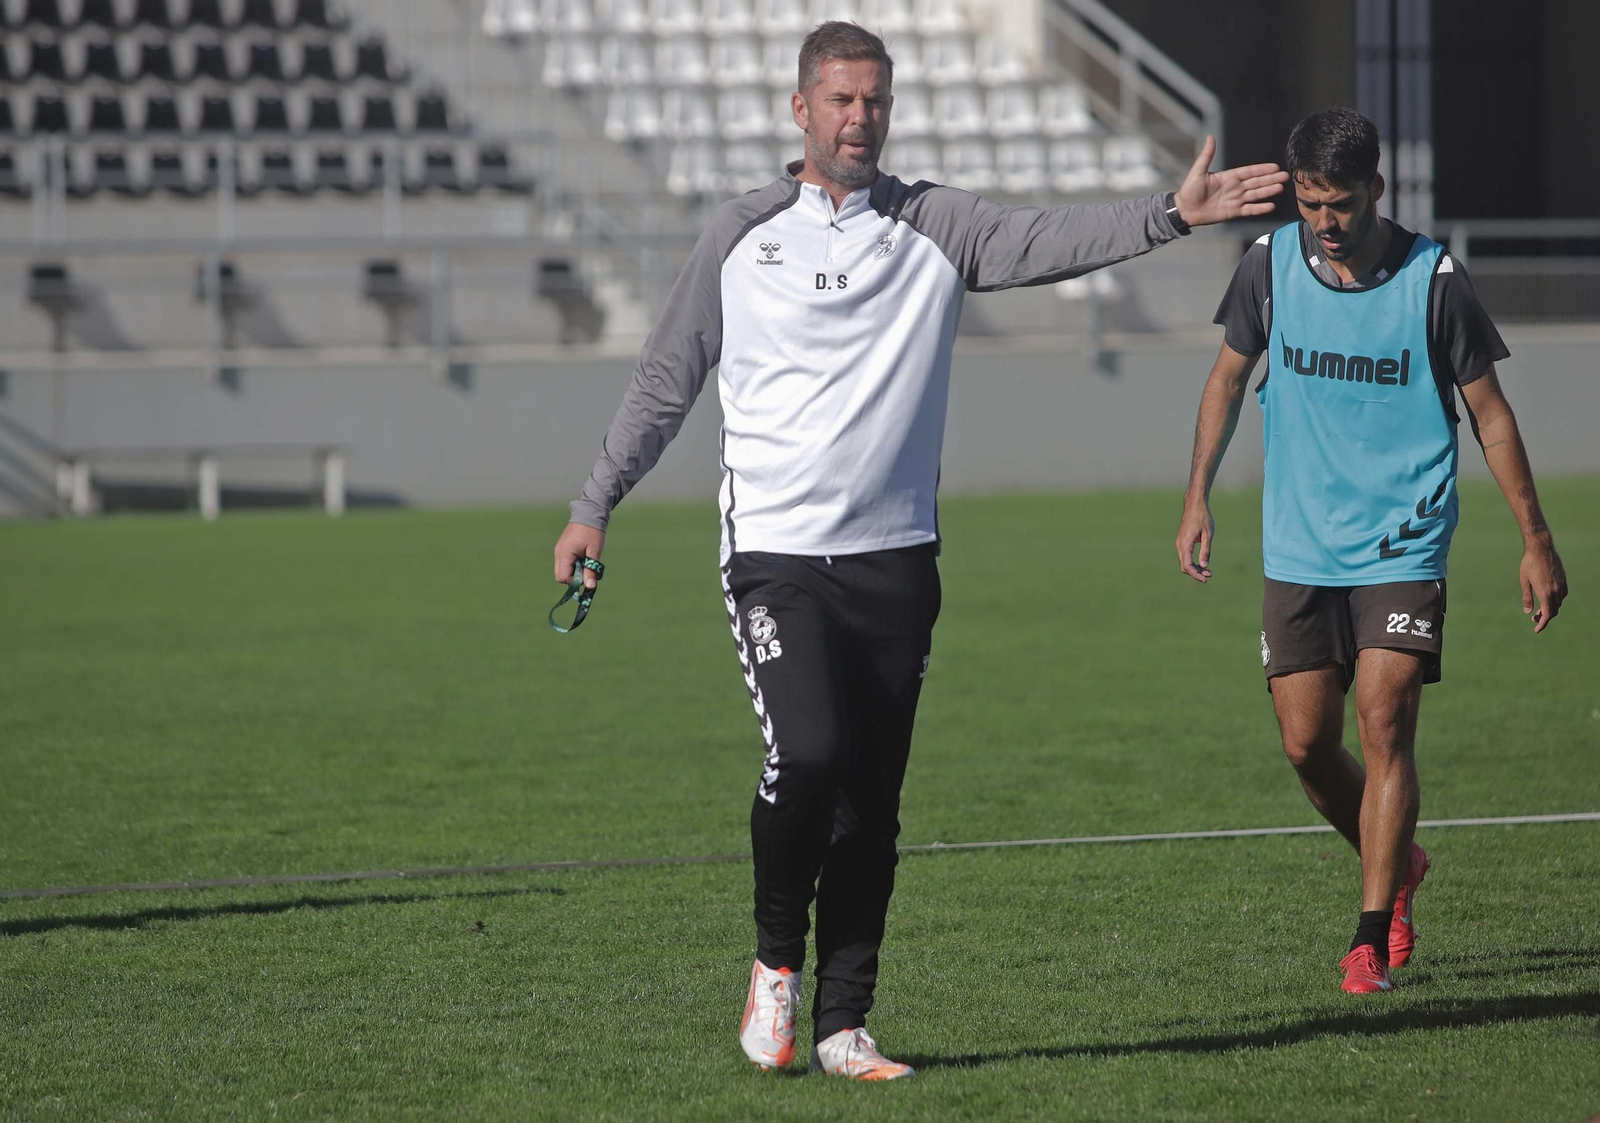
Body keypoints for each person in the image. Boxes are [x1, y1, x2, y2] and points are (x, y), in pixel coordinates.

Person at [554, 21, 1286, 1077]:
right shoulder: (740, 234)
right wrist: (595, 503)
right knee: (804, 757)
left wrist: (1172, 213)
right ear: (799, 109)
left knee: (872, 802)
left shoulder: (935, 223)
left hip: (897, 559)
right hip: (774, 552)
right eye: (841, 100)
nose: (860, 119)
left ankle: (846, 1023)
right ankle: (774, 961)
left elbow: (1049, 242)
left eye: (876, 101)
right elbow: (667, 380)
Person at [1175, 108, 1569, 994]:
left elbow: (1491, 415)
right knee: (1306, 745)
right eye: (1311, 202)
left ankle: (1369, 931)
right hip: (1300, 544)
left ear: (1377, 190)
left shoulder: (1434, 279)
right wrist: (1198, 492)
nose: (1325, 220)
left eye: (1341, 203)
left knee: (1384, 719)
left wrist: (1534, 539)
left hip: (1404, 535)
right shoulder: (1269, 265)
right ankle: (1401, 862)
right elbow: (1228, 378)